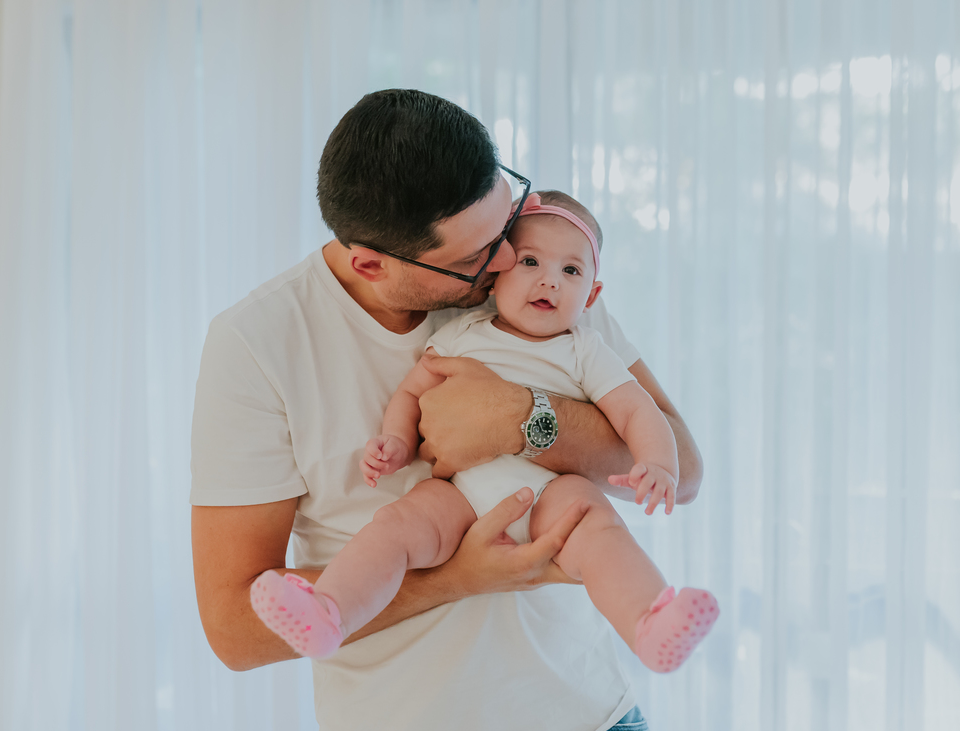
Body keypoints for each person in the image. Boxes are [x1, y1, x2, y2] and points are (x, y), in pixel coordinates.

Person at [190, 89, 704, 731]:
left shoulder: (546, 266)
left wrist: (525, 416)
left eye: (507, 224)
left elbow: (684, 461)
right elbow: (233, 631)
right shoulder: (259, 345)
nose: (507, 268)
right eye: (478, 257)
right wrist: (460, 577)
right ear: (370, 263)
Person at [249, 190, 718, 674]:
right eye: (531, 261)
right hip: (460, 496)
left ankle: (648, 621)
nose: (549, 281)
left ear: (592, 296)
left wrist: (657, 462)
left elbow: (638, 412)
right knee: (395, 528)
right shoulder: (461, 333)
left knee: (598, 529)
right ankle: (330, 611)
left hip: (552, 495)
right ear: (495, 273)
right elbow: (412, 394)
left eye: (571, 272)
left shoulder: (585, 349)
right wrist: (396, 442)